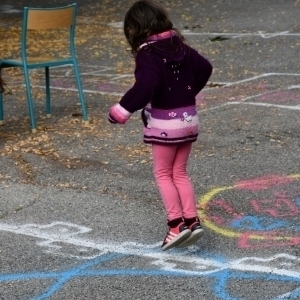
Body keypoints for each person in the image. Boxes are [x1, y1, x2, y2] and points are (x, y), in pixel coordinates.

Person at [108, 0, 212, 250]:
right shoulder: (180, 46)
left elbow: (146, 86)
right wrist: (185, 96)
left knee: (164, 173)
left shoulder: (148, 53)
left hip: (165, 124)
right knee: (180, 172)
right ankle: (192, 221)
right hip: (188, 121)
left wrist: (121, 110)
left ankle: (176, 225)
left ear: (136, 28)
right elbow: (205, 67)